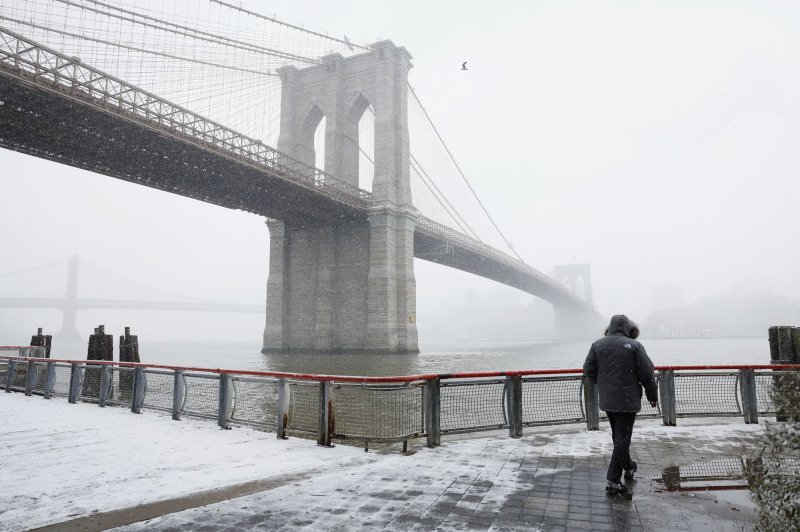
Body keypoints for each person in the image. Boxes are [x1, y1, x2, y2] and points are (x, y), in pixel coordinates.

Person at [583, 314, 658, 496]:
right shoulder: (634, 346)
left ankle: (629, 466)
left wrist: (603, 383)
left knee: (618, 436)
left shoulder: (597, 345)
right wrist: (652, 395)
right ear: (628, 329)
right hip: (627, 398)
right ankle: (613, 480)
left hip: (608, 399)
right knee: (623, 437)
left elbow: (588, 369)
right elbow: (647, 373)